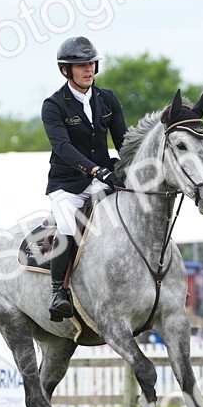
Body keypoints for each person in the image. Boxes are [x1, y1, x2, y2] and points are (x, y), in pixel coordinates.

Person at [41, 35, 129, 320]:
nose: (88, 69)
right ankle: (59, 292)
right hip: (67, 184)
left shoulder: (108, 99)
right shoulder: (54, 105)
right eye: (81, 65)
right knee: (69, 224)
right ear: (65, 70)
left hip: (103, 177)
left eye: (91, 64)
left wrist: (132, 167)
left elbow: (123, 141)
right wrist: (95, 170)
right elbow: (62, 147)